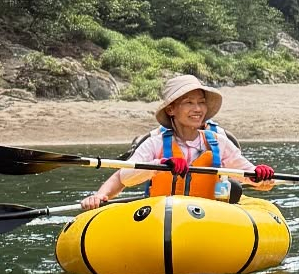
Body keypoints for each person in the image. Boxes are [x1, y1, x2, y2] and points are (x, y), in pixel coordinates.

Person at [80, 74, 277, 210]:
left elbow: (258, 181)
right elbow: (123, 177)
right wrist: (160, 166)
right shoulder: (155, 143)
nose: (198, 109)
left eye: (201, 103)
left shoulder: (219, 142)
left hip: (211, 219)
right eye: (189, 103)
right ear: (171, 110)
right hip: (161, 216)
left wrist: (260, 176)